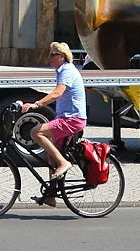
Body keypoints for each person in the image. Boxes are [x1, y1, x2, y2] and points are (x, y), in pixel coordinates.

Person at [23, 41, 86, 206]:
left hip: (72, 119)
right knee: (51, 157)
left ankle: (64, 163)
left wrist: (36, 104)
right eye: (49, 54)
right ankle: (51, 196)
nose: (49, 58)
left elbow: (57, 93)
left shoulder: (66, 70)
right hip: (66, 118)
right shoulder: (62, 70)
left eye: (53, 55)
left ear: (62, 56)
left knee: (36, 132)